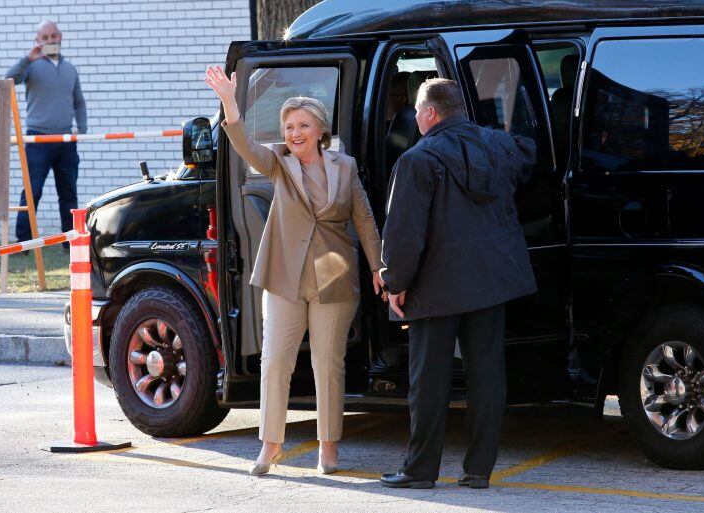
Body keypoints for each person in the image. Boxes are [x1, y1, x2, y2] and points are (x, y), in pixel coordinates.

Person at [204, 65, 385, 476]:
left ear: (320, 130)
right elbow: (246, 146)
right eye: (288, 126)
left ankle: (328, 449)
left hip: (334, 278)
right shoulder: (279, 164)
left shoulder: (346, 167)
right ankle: (269, 446)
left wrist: (379, 267)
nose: (293, 133)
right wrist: (230, 102)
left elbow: (365, 220)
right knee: (275, 362)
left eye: (302, 125)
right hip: (284, 280)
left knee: (328, 365)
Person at [378, 78, 537, 489]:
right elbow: (529, 152)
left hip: (437, 285)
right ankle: (479, 470)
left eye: (417, 110)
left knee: (429, 381)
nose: (414, 117)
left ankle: (420, 471)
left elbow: (403, 233)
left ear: (430, 113)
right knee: (487, 375)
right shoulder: (499, 146)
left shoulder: (416, 160)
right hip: (492, 280)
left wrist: (395, 282)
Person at [5, 20, 86, 249]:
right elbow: (8, 80)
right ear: (38, 41)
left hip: (65, 141)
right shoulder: (31, 67)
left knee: (68, 193)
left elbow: (79, 102)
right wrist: (27, 59)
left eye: (54, 36)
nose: (50, 40)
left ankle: (70, 243)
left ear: (60, 37)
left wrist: (82, 128)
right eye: (45, 37)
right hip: (37, 140)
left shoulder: (70, 69)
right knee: (33, 192)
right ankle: (23, 242)